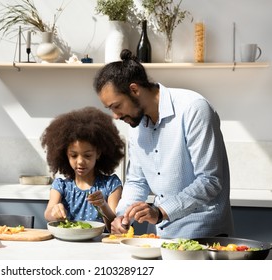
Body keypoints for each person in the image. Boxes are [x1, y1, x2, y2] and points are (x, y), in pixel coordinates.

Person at [92, 49, 235, 239]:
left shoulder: (193, 108)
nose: (115, 116)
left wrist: (160, 212)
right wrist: (122, 217)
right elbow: (137, 180)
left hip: (205, 235)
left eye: (116, 106)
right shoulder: (135, 125)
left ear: (134, 90)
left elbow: (210, 181)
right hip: (160, 237)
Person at [41, 106, 125, 231]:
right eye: (73, 155)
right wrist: (54, 212)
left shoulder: (111, 185)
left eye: (87, 155)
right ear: (65, 155)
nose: (80, 162)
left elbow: (114, 226)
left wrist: (103, 205)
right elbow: (48, 213)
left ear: (99, 153)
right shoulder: (61, 186)